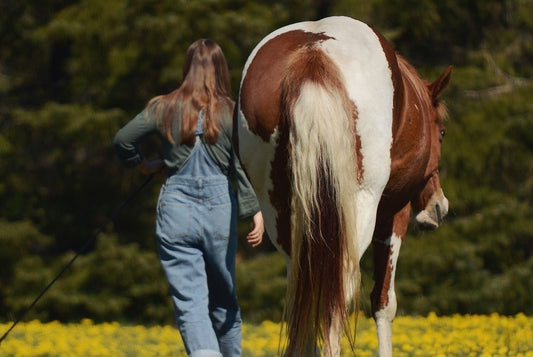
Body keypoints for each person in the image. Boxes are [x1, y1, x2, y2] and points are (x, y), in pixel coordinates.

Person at [113, 39, 264, 357]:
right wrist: (254, 211)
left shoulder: (162, 106)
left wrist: (143, 165)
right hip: (218, 211)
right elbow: (238, 164)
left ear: (187, 69)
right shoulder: (230, 111)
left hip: (176, 211)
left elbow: (123, 140)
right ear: (221, 69)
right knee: (224, 299)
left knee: (191, 304)